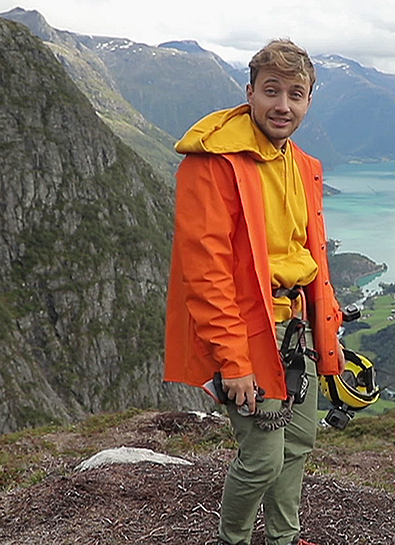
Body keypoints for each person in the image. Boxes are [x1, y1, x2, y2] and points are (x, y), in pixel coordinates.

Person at [163, 39, 344, 545]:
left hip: (296, 328)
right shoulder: (213, 163)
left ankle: (284, 539)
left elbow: (311, 258)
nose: (283, 105)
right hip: (247, 330)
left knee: (299, 442)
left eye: (295, 94)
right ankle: (234, 539)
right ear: (249, 93)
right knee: (263, 455)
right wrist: (232, 360)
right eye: (271, 91)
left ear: (309, 101)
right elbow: (207, 271)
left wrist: (327, 327)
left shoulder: (303, 165)